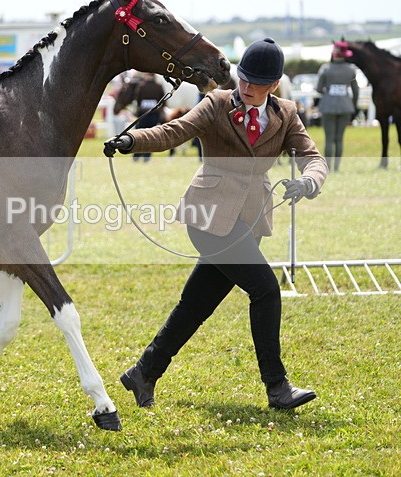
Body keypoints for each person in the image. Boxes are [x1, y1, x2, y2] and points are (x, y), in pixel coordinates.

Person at [105, 38, 328, 411]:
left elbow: (312, 158)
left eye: (257, 82)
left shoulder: (286, 113)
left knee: (196, 304)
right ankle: (277, 387)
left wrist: (309, 182)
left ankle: (144, 372)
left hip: (247, 221)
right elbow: (172, 132)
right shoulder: (217, 103)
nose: (246, 87)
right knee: (266, 290)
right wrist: (131, 139)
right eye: (243, 78)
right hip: (208, 216)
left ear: (274, 84)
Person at [315, 41, 360, 172]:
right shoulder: (351, 69)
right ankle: (336, 167)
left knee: (329, 138)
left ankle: (327, 167)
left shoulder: (325, 69)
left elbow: (318, 89)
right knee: (339, 139)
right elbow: (356, 91)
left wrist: (327, 92)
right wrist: (354, 105)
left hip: (328, 105)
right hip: (345, 105)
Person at [131, 73, 167, 162]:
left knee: (139, 134)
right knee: (151, 135)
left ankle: (136, 155)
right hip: (154, 114)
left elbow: (138, 100)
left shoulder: (142, 86)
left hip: (143, 114)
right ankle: (147, 157)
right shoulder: (159, 86)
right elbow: (163, 100)